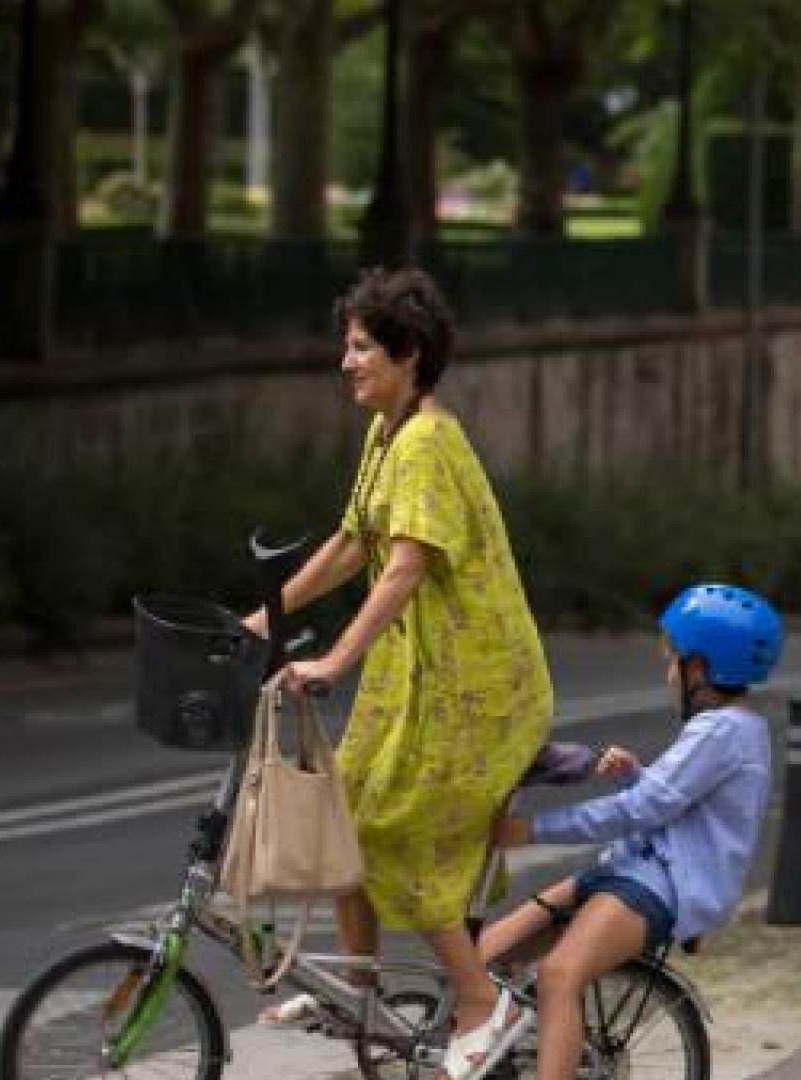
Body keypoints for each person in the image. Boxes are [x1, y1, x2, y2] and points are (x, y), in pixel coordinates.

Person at [244, 268, 552, 1080]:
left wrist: (334, 660)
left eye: (360, 347)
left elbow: (405, 564)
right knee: (347, 813)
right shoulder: (387, 434)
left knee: (394, 836)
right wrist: (261, 620)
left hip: (476, 684)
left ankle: (482, 1000)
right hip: (417, 671)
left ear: (407, 353)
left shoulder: (424, 441)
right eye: (345, 346)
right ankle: (361, 990)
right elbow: (354, 544)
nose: (345, 362)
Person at [480, 584, 781, 1080]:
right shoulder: (732, 728)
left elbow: (642, 810)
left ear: (699, 669)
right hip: (631, 871)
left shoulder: (722, 731)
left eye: (673, 661)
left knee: (559, 975)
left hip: (660, 886)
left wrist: (530, 829)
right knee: (489, 955)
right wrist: (637, 775)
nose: (668, 673)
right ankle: (518, 1049)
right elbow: (673, 800)